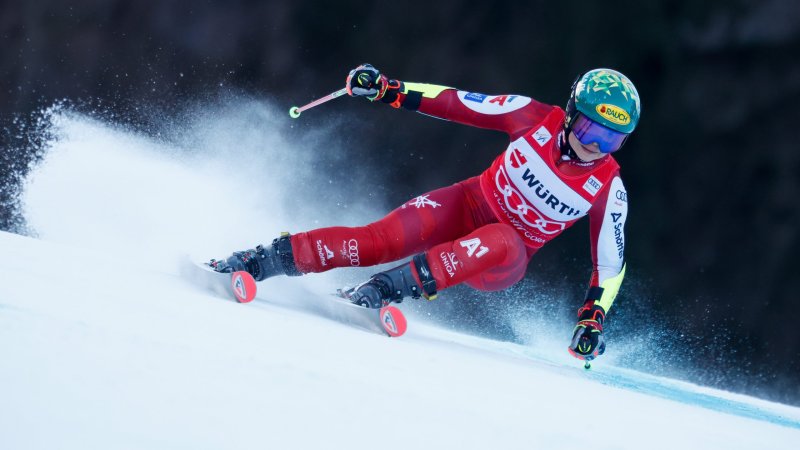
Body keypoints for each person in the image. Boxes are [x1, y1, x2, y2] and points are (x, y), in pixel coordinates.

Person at [211, 64, 639, 361]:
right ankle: (257, 261)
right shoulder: (531, 117)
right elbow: (458, 102)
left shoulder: (608, 187)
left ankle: (383, 290)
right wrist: (387, 90)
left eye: (612, 140)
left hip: (504, 259)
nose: (595, 147)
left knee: (503, 238)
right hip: (466, 203)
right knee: (378, 240)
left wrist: (591, 321)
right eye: (589, 130)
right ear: (571, 115)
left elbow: (610, 264)